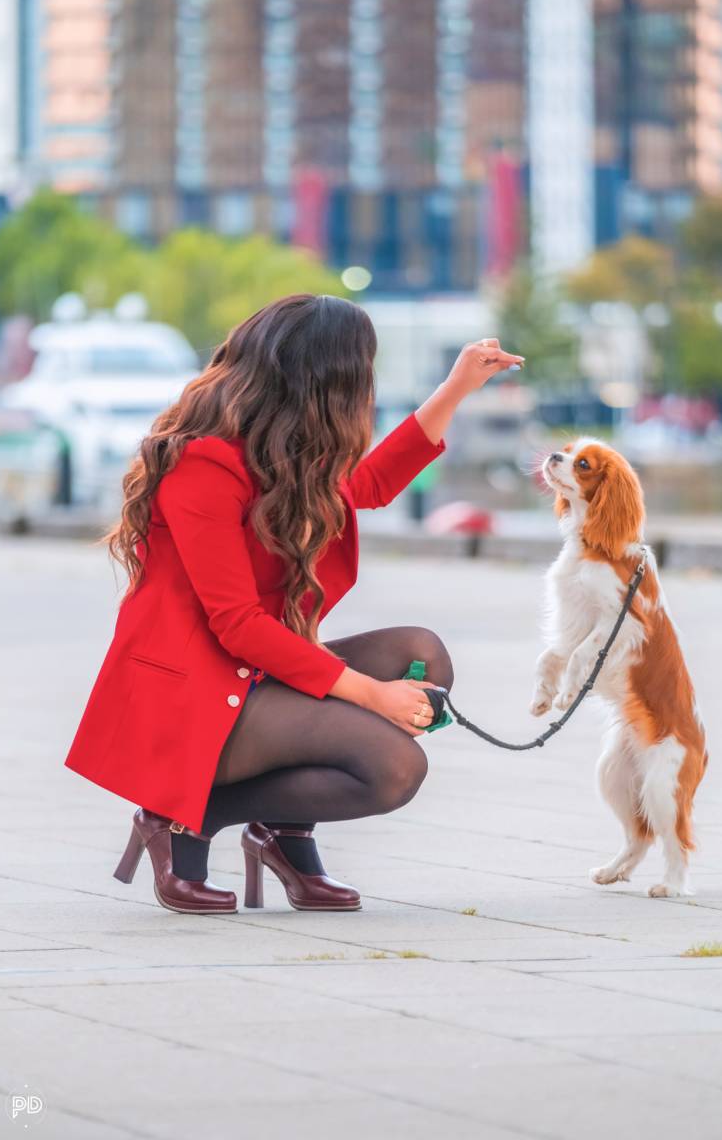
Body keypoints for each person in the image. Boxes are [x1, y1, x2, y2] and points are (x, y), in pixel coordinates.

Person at [65, 294, 522, 914]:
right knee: (392, 768)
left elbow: (371, 485)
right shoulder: (204, 465)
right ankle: (178, 818)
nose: (364, 392)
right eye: (358, 375)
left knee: (421, 656)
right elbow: (237, 625)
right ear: (319, 382)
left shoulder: (282, 458)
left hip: (250, 678)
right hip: (194, 695)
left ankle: (282, 834)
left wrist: (457, 386)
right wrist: (369, 693)